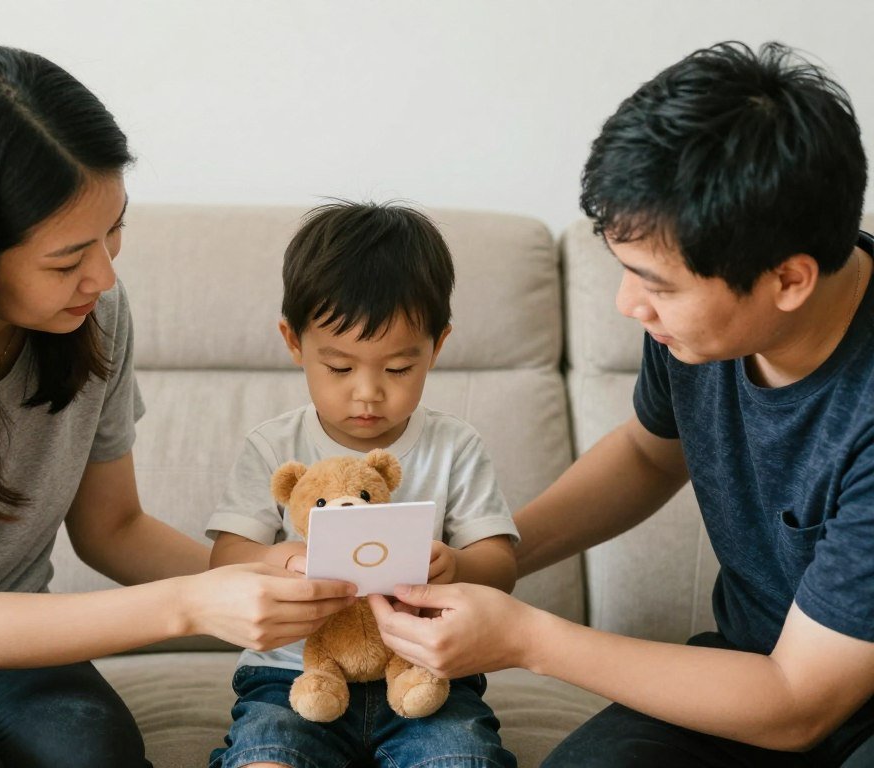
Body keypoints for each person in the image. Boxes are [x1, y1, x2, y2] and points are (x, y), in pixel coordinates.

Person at [368, 40, 874, 766]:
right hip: (747, 671)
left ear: (789, 281)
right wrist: (495, 556)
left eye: (657, 284)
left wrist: (524, 637)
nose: (628, 303)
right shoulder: (698, 330)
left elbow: (798, 702)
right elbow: (646, 454)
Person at [0, 47, 358, 768]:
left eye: (114, 230)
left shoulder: (95, 313)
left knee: (93, 751)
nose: (103, 274)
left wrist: (263, 576)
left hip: (8, 636)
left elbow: (112, 529)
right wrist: (193, 604)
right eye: (66, 259)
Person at [206, 201, 520, 768]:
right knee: (268, 755)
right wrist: (286, 562)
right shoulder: (273, 446)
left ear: (437, 347)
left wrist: (456, 567)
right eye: (341, 368)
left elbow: (499, 565)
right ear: (294, 342)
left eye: (398, 369)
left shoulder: (456, 446)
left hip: (429, 670)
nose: (369, 393)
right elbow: (225, 558)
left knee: (461, 759)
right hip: (291, 674)